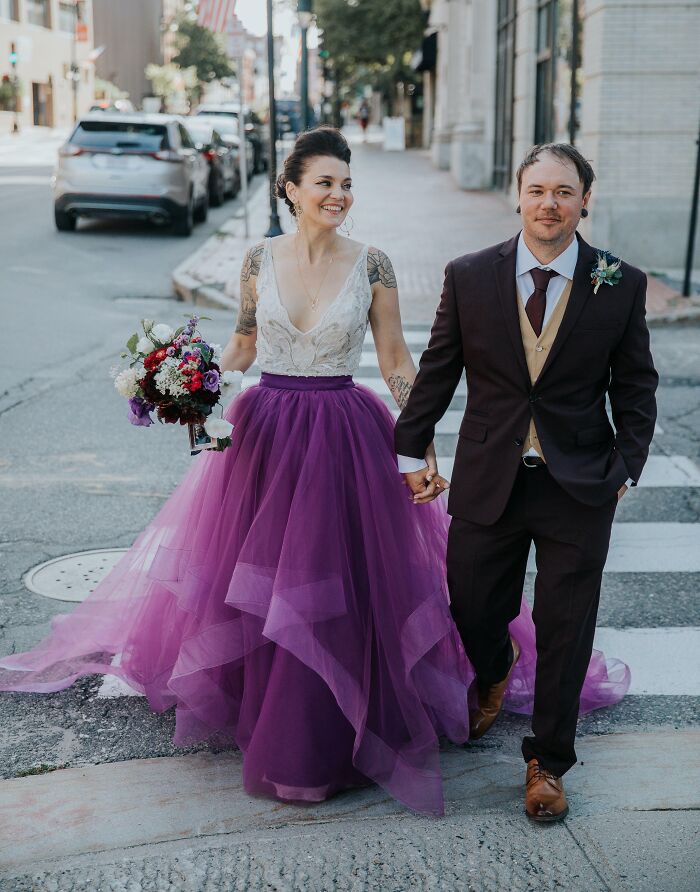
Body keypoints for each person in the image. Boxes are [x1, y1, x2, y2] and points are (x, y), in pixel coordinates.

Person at [0, 130, 629, 818]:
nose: (338, 194)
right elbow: (241, 345)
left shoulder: (376, 265)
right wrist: (188, 386)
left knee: (341, 587)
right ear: (290, 188)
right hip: (263, 434)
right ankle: (272, 712)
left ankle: (336, 727)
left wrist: (420, 446)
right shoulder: (254, 260)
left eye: (347, 183)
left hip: (344, 433)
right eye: (324, 182)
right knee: (261, 584)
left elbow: (396, 359)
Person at [395, 143, 658, 822]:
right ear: (518, 195)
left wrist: (627, 465)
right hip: (490, 476)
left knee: (567, 625)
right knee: (473, 602)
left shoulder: (619, 282)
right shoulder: (472, 275)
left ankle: (548, 761)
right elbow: (438, 371)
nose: (550, 204)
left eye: (564, 192)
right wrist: (408, 452)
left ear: (584, 200)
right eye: (538, 190)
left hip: (580, 483)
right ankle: (495, 662)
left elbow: (636, 387)